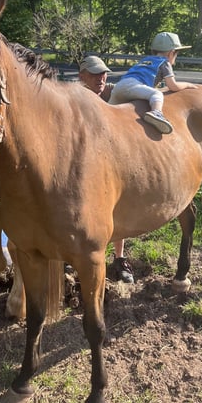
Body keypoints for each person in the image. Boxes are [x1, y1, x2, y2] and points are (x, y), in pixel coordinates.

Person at [78, 55, 134, 283]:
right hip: (82, 165)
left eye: (103, 73)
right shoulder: (75, 96)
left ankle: (119, 258)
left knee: (116, 210)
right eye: (94, 73)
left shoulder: (114, 93)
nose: (100, 78)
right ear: (82, 76)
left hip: (111, 163)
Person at [108, 31, 198, 134]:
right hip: (134, 86)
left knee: (107, 113)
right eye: (177, 53)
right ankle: (156, 113)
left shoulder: (146, 60)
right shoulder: (164, 63)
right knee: (157, 94)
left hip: (119, 86)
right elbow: (173, 86)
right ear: (171, 53)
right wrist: (187, 84)